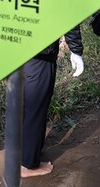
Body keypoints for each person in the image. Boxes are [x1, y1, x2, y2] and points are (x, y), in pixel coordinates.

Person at [21, 27, 84, 178]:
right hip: (40, 50)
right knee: (36, 107)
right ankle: (27, 164)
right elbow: (67, 12)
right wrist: (75, 49)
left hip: (19, 44)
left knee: (26, 103)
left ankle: (26, 151)